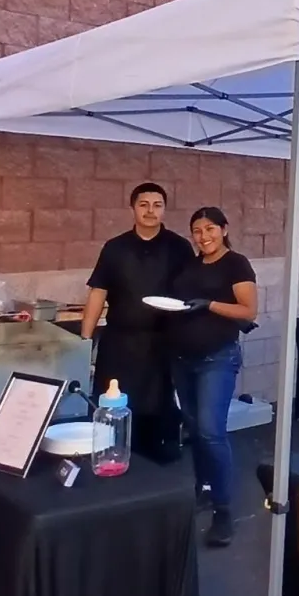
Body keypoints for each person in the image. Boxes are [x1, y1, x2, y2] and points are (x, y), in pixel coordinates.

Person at [166, 205, 258, 547]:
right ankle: (203, 488)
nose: (203, 236)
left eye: (209, 229)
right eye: (197, 231)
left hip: (216, 358)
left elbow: (248, 310)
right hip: (181, 359)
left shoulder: (236, 263)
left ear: (224, 228)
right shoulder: (190, 264)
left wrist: (209, 304)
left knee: (210, 430)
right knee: (195, 430)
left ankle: (223, 512)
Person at [80, 183, 193, 463]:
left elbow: (193, 291)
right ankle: (112, 454)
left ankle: (157, 454)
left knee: (159, 400)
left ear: (164, 209)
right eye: (144, 204)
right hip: (120, 340)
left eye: (157, 205)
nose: (150, 211)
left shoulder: (179, 247)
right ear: (133, 208)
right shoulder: (115, 247)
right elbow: (98, 292)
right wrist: (84, 340)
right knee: (114, 400)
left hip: (164, 340)